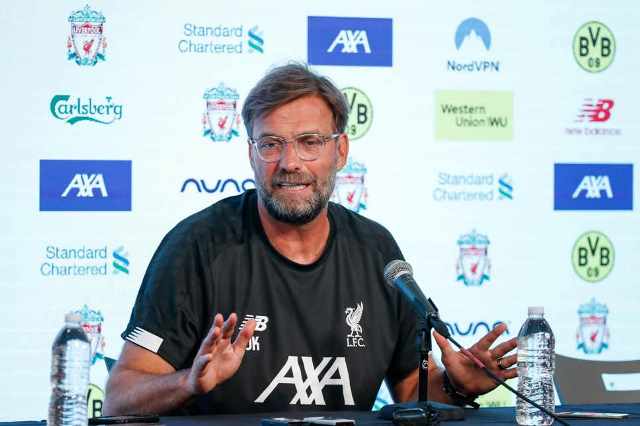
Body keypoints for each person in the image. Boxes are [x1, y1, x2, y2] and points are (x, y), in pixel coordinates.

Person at [104, 63, 517, 416]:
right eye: (271, 144)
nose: (289, 163)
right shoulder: (197, 245)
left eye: (309, 143)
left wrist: (460, 387)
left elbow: (413, 392)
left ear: (340, 151)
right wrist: (188, 383)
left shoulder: (377, 252)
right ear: (251, 154)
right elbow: (119, 399)